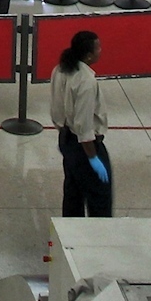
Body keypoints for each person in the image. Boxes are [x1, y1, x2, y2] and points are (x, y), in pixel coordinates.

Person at [49, 29, 113, 218]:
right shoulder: (86, 82)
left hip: (66, 139)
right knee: (100, 199)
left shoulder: (60, 69)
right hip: (85, 148)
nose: (101, 51)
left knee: (73, 194)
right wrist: (93, 159)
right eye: (98, 48)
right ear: (88, 55)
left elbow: (57, 109)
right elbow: (84, 128)